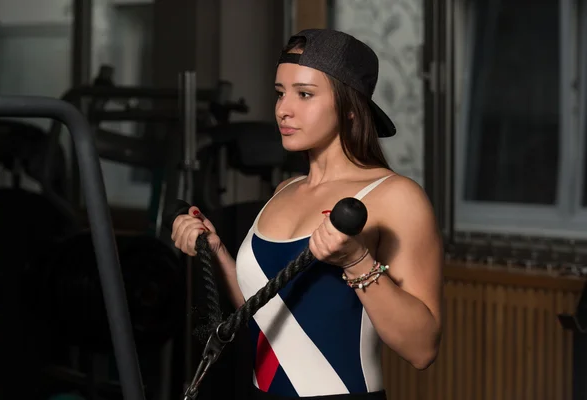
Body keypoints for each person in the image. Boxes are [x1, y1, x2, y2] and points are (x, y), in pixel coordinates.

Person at [171, 29, 443, 400]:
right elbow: (264, 315)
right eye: (281, 93)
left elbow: (422, 349)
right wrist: (216, 250)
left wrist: (357, 261)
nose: (284, 108)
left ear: (349, 107)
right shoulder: (285, 189)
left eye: (305, 94)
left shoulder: (396, 197)